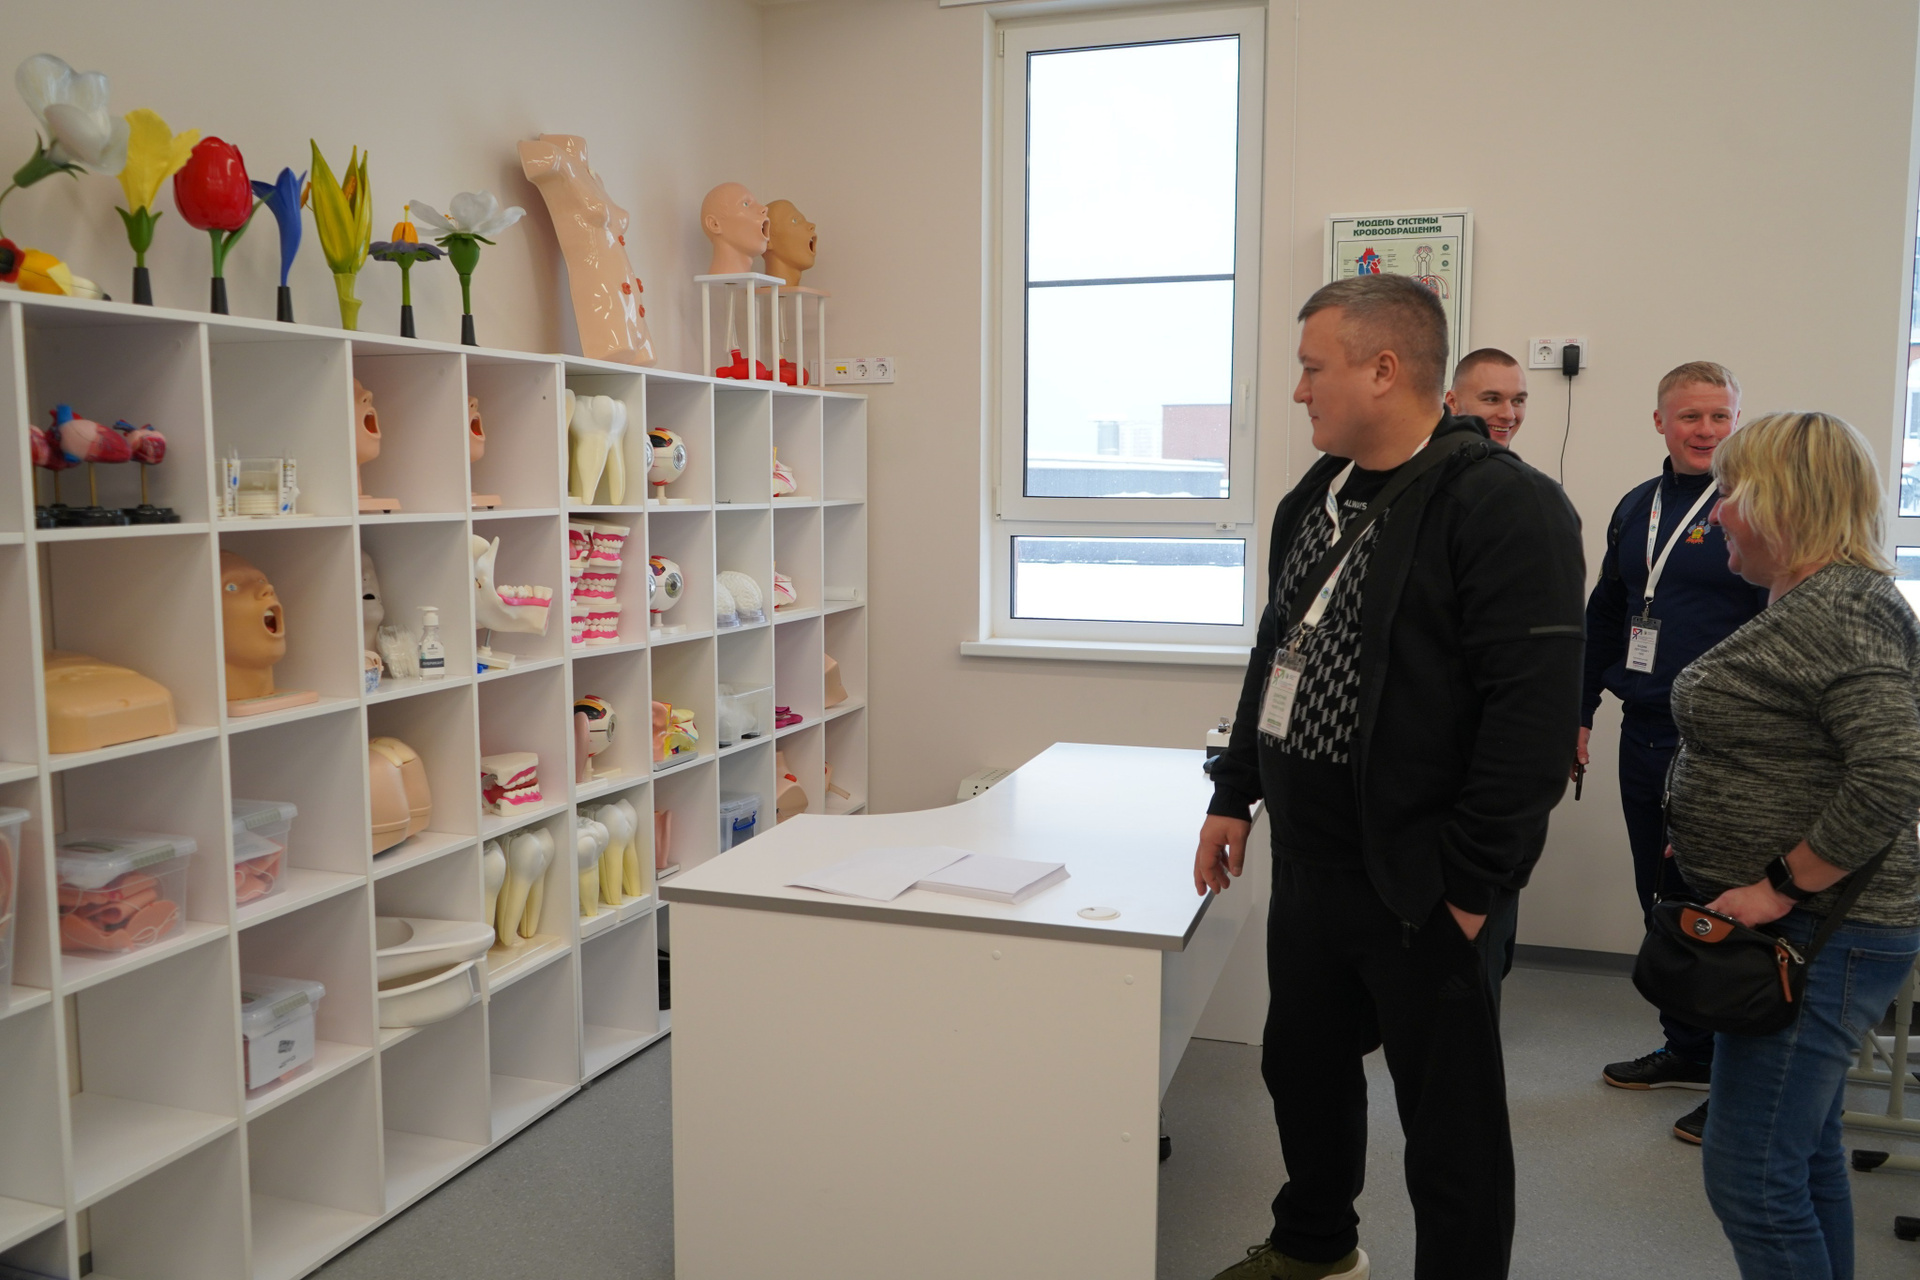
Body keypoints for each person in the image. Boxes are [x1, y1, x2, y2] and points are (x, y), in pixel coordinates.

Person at [1197, 274, 1585, 1280]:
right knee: (1302, 1070)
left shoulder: (1503, 505)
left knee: (1449, 1125)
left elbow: (1532, 721)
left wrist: (1472, 886)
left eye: (1311, 368)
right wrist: (1235, 789)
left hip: (1426, 877)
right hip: (1314, 864)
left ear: (1382, 368)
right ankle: (1315, 1242)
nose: (1298, 391)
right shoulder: (1315, 496)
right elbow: (1274, 653)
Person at [1665, 411, 1920, 1280]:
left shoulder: (1842, 607)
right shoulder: (1818, 600)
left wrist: (1779, 883)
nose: (1717, 514)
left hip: (1823, 931)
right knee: (1805, 1158)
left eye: (1731, 492)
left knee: (1751, 1177)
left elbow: (1893, 769)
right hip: (1814, 929)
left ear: (1784, 499)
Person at [1581, 361, 1767, 1144]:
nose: (1705, 430)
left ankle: (1739, 1081)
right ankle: (1688, 1048)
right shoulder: (1637, 506)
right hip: (1646, 732)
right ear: (1660, 421)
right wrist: (1579, 710)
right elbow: (1608, 611)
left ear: (1738, 421)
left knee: (1724, 906)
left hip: (1728, 745)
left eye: (1720, 416)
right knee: (1660, 896)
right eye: (1690, 416)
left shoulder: (1756, 506)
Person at [1444, 347, 1529, 446]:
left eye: (1518, 401)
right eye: (1492, 399)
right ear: (1453, 402)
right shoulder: (1432, 454)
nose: (1509, 415)